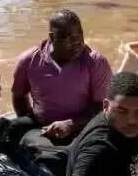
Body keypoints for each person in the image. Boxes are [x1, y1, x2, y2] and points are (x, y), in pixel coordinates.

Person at [12, 10, 113, 156]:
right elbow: (19, 95)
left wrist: (72, 125)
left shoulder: (95, 62)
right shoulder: (29, 60)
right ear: (53, 37)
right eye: (69, 37)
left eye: (80, 35)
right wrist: (36, 126)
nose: (77, 42)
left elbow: (103, 108)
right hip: (43, 127)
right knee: (12, 129)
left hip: (82, 128)